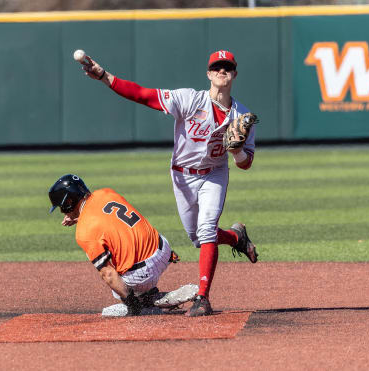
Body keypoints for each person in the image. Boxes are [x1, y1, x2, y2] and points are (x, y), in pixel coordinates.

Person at [78, 50, 258, 317]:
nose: (222, 71)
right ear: (209, 74)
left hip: (214, 174)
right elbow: (142, 94)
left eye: (227, 67)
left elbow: (246, 163)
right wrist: (105, 76)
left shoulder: (241, 115)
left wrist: (237, 151)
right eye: (217, 67)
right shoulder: (189, 99)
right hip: (182, 175)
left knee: (206, 231)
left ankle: (202, 299)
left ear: (234, 74)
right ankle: (235, 237)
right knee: (197, 237)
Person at [48, 174, 181, 316]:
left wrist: (132, 304)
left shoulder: (85, 231)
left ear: (69, 201)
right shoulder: (105, 193)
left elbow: (108, 275)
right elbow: (104, 217)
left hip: (144, 273)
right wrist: (79, 217)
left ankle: (147, 302)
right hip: (164, 249)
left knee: (117, 289)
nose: (62, 211)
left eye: (62, 207)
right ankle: (147, 293)